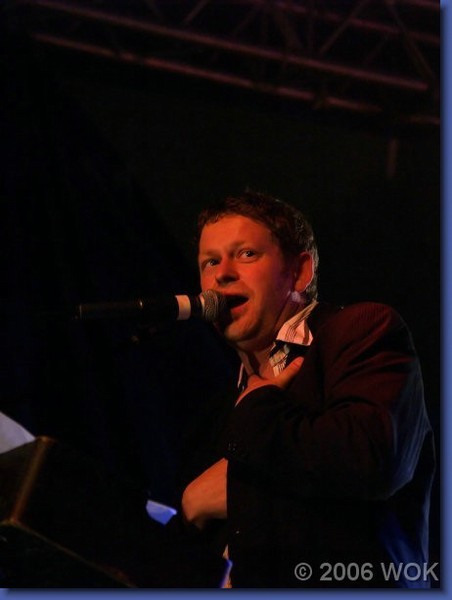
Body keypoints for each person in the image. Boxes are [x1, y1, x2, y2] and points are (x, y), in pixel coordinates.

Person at [170, 190, 435, 588]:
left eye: (246, 254)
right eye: (210, 261)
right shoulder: (219, 404)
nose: (222, 274)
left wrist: (239, 480)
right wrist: (190, 509)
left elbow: (373, 459)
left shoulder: (360, 331)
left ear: (299, 272)